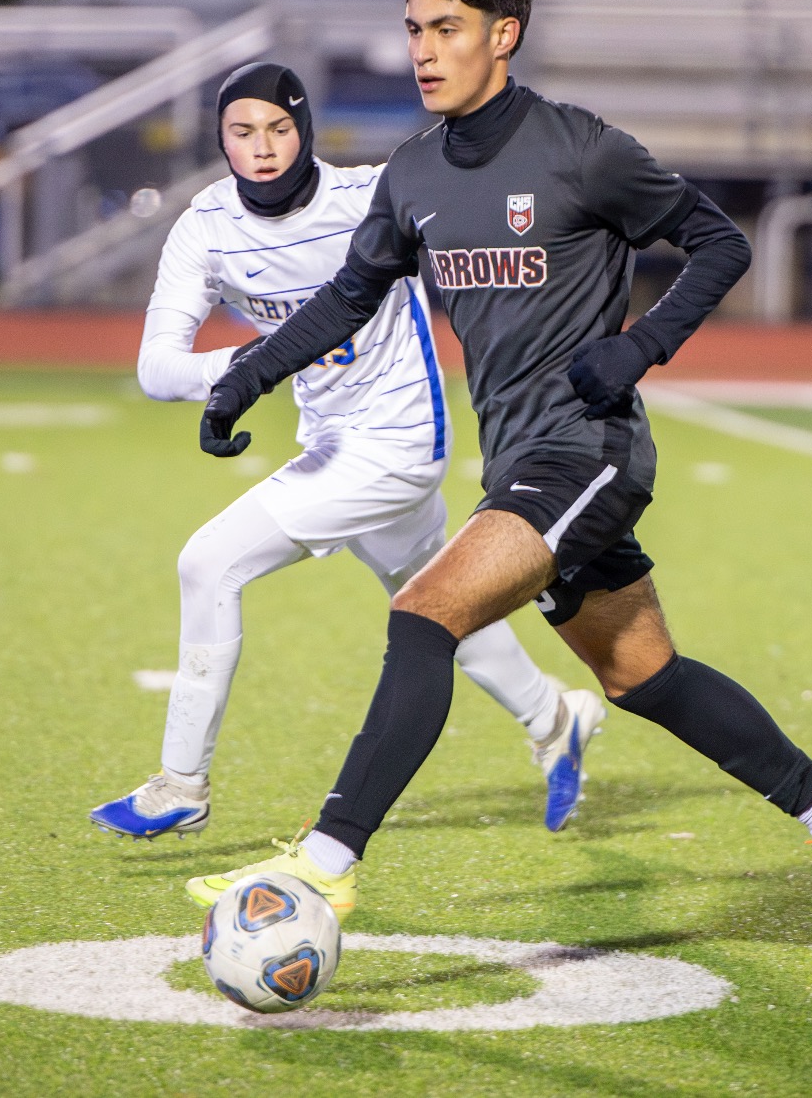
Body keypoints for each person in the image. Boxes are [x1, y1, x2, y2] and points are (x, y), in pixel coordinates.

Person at [181, 0, 812, 941]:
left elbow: (716, 241)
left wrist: (639, 346)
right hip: (519, 460)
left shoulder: (578, 147)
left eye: (447, 27)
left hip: (587, 451)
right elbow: (346, 298)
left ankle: (328, 862)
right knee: (639, 673)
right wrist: (241, 380)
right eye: (413, 28)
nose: (422, 50)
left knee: (424, 614)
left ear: (501, 33)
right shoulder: (414, 174)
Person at [88, 61, 608, 842]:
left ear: (304, 130)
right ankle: (554, 717)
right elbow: (157, 366)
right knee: (432, 597)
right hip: (330, 437)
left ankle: (181, 783)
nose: (261, 147)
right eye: (241, 131)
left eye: (277, 128)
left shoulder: (371, 195)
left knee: (207, 562)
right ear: (220, 139)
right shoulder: (206, 227)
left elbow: (499, 238)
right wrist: (237, 371)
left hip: (399, 444)